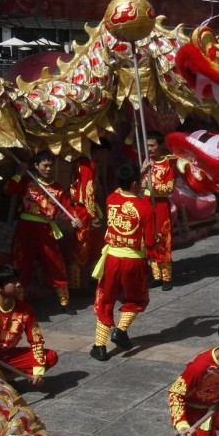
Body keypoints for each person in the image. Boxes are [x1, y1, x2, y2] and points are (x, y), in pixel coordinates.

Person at [89, 162, 157, 361]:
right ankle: (120, 330)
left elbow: (124, 192)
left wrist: (139, 176)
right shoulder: (146, 208)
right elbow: (151, 242)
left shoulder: (111, 199)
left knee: (105, 299)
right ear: (136, 183)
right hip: (134, 260)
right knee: (137, 299)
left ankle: (100, 346)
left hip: (112, 258)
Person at [4, 150, 82, 314]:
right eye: (45, 165)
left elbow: (67, 208)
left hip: (46, 230)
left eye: (50, 166)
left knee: (55, 264)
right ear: (36, 166)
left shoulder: (57, 188)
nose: (48, 169)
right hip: (26, 229)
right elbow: (10, 190)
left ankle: (65, 302)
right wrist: (20, 173)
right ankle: (19, 303)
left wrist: (74, 219)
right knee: (22, 264)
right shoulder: (27, 182)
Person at [0, 264, 58, 386]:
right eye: (13, 282)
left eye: (18, 281)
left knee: (50, 356)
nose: (18, 284)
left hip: (9, 356)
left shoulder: (26, 310)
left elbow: (36, 340)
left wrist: (38, 371)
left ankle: (6, 378)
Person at [68, 140, 109, 292]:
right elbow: (88, 193)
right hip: (84, 212)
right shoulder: (88, 165)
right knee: (83, 247)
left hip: (82, 209)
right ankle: (79, 285)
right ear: (102, 152)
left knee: (94, 246)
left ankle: (90, 281)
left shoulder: (80, 162)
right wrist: (94, 217)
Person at [144, 130, 177, 290]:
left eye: (152, 145)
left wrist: (151, 187)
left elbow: (169, 187)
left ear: (161, 145)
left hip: (161, 204)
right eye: (147, 145)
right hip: (146, 203)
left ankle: (167, 277)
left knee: (163, 238)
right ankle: (156, 275)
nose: (149, 149)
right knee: (149, 237)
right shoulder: (145, 161)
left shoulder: (168, 163)